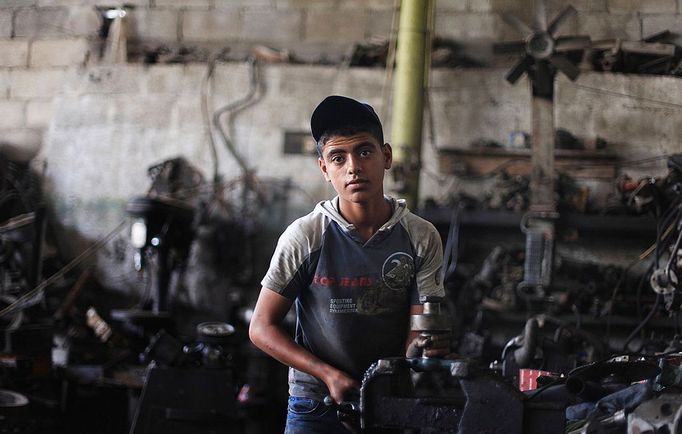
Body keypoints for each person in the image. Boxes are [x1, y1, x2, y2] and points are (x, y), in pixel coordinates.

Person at [249, 95, 449, 433]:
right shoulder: (306, 237)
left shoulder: (420, 237)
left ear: (386, 156)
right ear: (325, 169)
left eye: (364, 151)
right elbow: (261, 328)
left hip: (390, 398)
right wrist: (327, 375)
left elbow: (421, 327)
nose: (353, 166)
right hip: (315, 400)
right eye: (338, 158)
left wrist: (424, 346)